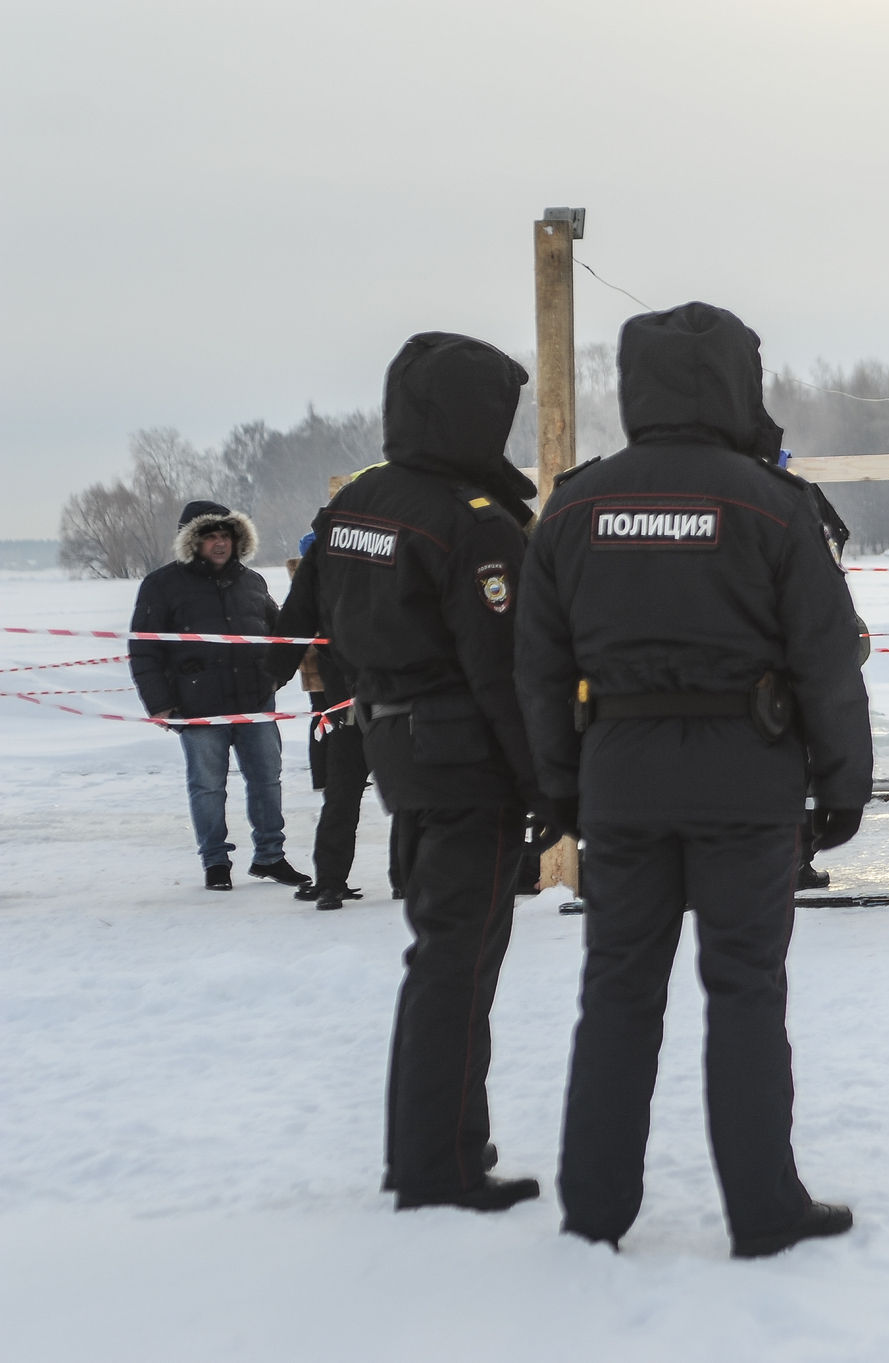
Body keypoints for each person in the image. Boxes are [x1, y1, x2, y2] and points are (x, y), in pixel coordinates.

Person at [516, 303, 871, 1257]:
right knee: (746, 991)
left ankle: (594, 1209)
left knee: (619, 994)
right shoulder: (772, 503)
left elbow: (539, 666)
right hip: (746, 783)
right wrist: (841, 786)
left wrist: (560, 790)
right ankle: (763, 1208)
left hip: (619, 783)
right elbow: (826, 657)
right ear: (735, 382)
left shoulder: (576, 505)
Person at [313, 331, 553, 1213]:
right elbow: (506, 672)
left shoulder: (357, 504)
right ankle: (437, 1163)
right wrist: (547, 786)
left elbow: (314, 624)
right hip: (466, 765)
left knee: (442, 958)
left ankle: (446, 1142)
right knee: (457, 966)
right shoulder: (473, 520)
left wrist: (371, 703)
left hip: (397, 751)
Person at [129, 500, 307, 893]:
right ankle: (215, 861)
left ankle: (270, 857)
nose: (219, 543)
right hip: (198, 708)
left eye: (225, 535)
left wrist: (275, 678)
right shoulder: (161, 585)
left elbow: (281, 636)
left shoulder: (253, 582)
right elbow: (144, 648)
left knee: (267, 781)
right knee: (208, 786)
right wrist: (159, 704)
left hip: (254, 704)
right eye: (210, 536)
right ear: (192, 542)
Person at [265, 531, 372, 909]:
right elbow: (295, 620)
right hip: (349, 702)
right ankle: (332, 881)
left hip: (377, 698)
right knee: (343, 795)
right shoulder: (331, 562)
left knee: (353, 796)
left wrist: (276, 672)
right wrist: (275, 674)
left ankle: (400, 880)